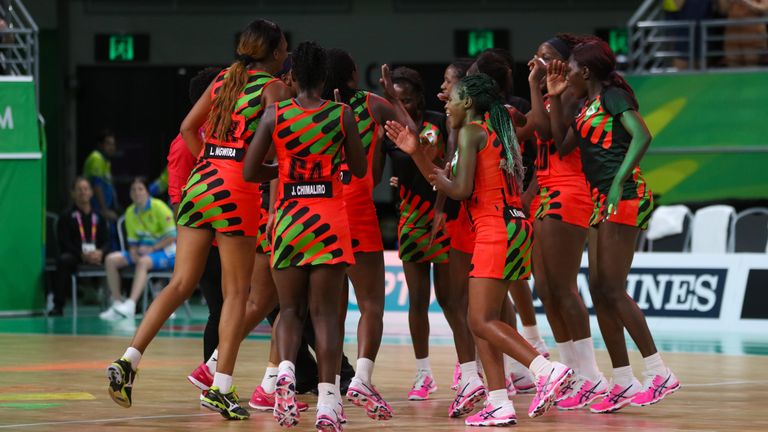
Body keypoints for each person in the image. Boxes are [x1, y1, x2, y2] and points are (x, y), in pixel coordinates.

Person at [105, 19, 291, 421]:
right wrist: (272, 186)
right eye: (284, 47)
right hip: (236, 191)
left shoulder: (225, 79)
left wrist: (212, 158)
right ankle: (220, 389)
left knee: (179, 283)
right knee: (237, 293)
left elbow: (187, 127)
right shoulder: (273, 88)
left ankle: (128, 360)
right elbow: (276, 150)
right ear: (275, 52)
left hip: (200, 182)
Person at [385, 73, 573, 426]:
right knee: (483, 319)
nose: (446, 103)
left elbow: (458, 190)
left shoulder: (472, 132)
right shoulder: (491, 130)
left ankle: (545, 369)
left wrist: (417, 155)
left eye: (452, 98)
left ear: (468, 103)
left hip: (494, 227)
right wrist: (420, 157)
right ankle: (499, 401)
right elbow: (451, 180)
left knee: (479, 319)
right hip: (513, 224)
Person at [545, 39, 681, 414]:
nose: (566, 73)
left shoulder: (612, 97)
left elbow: (642, 135)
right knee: (599, 291)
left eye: (569, 69)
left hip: (625, 196)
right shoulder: (585, 105)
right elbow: (561, 146)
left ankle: (658, 372)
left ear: (585, 71)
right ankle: (622, 380)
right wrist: (555, 98)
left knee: (612, 289)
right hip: (600, 202)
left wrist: (620, 180)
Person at [243, 40, 366, 431]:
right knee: (326, 314)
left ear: (292, 77)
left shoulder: (275, 115)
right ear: (325, 77)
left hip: (291, 223)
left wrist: (282, 171)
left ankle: (285, 376)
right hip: (329, 222)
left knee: (290, 311)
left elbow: (250, 171)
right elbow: (360, 169)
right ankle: (329, 402)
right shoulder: (342, 114)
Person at [526, 34, 608, 410]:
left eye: (546, 58)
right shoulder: (548, 97)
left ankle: (592, 376)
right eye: (537, 58)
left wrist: (541, 91)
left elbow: (549, 136)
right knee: (545, 289)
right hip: (545, 192)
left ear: (562, 63)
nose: (538, 63)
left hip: (570, 190)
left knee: (564, 288)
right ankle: (572, 373)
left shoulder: (571, 96)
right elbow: (530, 129)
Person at [320, 48, 398, 420]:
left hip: (324, 212)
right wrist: (394, 99)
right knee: (371, 305)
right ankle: (363, 378)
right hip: (360, 211)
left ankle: (330, 391)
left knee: (330, 313)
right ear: (353, 76)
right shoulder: (372, 104)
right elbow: (411, 133)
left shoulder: (313, 110)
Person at [383, 66, 454, 401]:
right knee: (417, 302)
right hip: (410, 219)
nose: (403, 106)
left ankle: (470, 370)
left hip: (442, 218)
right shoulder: (388, 131)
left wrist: (441, 207)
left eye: (407, 100)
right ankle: (423, 374)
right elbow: (397, 170)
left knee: (452, 300)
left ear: (418, 98)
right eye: (397, 100)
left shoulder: (438, 122)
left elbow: (442, 166)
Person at [99, 177, 176, 321]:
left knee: (143, 262)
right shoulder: (130, 212)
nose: (137, 193)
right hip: (143, 252)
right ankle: (117, 303)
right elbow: (132, 242)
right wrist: (133, 252)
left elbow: (172, 236)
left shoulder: (159, 207)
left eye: (140, 189)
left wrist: (152, 248)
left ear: (147, 192)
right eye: (133, 190)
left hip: (167, 252)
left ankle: (131, 304)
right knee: (110, 259)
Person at [52, 177, 110, 316]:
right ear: (73, 193)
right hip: (76, 255)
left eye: (86, 189)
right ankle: (58, 305)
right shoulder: (66, 216)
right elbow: (64, 242)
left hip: (96, 255)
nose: (83, 192)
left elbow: (107, 241)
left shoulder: (99, 216)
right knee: (63, 260)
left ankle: (116, 301)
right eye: (79, 189)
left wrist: (101, 252)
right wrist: (81, 254)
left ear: (91, 192)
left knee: (115, 258)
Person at [83, 129, 119, 222]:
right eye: (108, 144)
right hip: (97, 211)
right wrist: (104, 210)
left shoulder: (106, 161)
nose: (112, 147)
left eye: (113, 144)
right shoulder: (96, 158)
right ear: (100, 145)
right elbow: (96, 184)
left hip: (104, 209)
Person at [719, 0, 768, 66]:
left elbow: (764, 8)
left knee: (750, 67)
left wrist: (747, 2)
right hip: (732, 39)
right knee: (732, 69)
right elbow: (722, 10)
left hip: (753, 38)